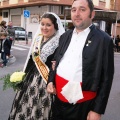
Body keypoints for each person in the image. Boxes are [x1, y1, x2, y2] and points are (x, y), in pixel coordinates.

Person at [47, 0, 114, 120]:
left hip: (83, 106)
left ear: (92, 14)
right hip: (58, 101)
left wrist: (97, 110)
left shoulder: (104, 40)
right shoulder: (64, 36)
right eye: (74, 10)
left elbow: (107, 78)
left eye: (82, 9)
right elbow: (55, 63)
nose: (77, 13)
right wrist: (50, 81)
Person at [8, 12, 65, 120]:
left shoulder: (59, 43)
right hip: (30, 79)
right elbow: (31, 59)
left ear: (55, 26)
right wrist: (22, 76)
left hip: (47, 83)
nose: (44, 27)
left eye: (48, 25)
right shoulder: (38, 38)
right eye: (42, 24)